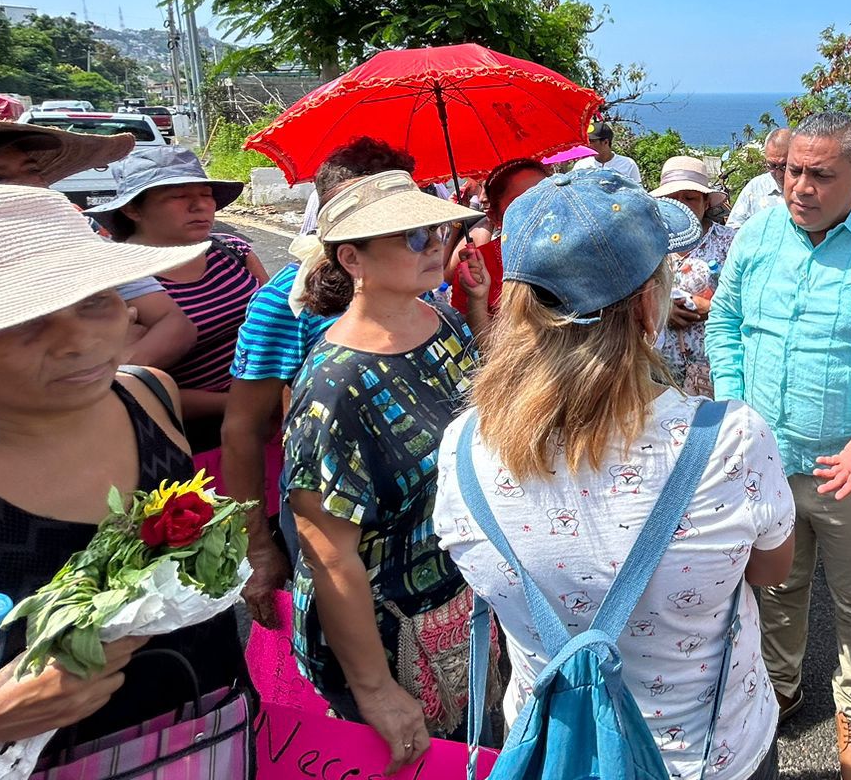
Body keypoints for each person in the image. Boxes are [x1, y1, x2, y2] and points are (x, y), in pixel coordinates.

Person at [434, 170, 795, 780]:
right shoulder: (729, 441)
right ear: (644, 305)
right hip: (708, 757)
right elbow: (771, 568)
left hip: (550, 749)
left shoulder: (463, 446)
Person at [0, 182, 247, 763]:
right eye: (24, 317)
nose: (80, 340)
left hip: (212, 727)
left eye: (96, 298)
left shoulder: (149, 396)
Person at [707, 113, 851, 780]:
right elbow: (725, 321)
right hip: (767, 462)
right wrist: (735, 403)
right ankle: (782, 685)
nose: (799, 187)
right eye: (791, 171)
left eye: (820, 174)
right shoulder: (756, 237)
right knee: (779, 585)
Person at [285, 170, 491, 769]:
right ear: (352, 259)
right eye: (412, 238)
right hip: (387, 631)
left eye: (436, 231)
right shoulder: (336, 382)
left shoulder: (443, 323)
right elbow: (327, 551)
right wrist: (375, 689)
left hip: (455, 597)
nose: (436, 245)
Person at [223, 137, 415, 629]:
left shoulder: (417, 284)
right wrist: (259, 548)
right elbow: (242, 429)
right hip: (329, 516)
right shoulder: (285, 301)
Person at [0, 103, 197, 369]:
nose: (33, 188)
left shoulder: (75, 238)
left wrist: (113, 375)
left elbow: (173, 323)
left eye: (33, 172)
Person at [89, 145, 268, 455]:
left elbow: (282, 318)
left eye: (206, 195)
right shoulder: (117, 281)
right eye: (178, 196)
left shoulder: (231, 251)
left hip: (272, 410)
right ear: (133, 210)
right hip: (192, 437)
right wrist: (241, 403)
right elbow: (129, 381)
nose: (200, 206)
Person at [651, 155, 737, 397]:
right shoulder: (649, 243)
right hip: (657, 372)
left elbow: (746, 300)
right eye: (672, 199)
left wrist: (711, 308)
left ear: (706, 202)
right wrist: (662, 310)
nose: (681, 205)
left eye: (689, 198)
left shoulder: (729, 243)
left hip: (712, 368)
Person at [442, 158, 547, 319]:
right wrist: (477, 299)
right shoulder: (479, 267)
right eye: (523, 203)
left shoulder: (584, 244)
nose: (543, 208)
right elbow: (474, 337)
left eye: (548, 195)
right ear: (495, 217)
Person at [728, 129, 791, 228]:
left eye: (784, 166)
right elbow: (733, 228)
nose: (779, 175)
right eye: (772, 166)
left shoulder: (808, 189)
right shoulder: (756, 187)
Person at [570, 120, 643, 187]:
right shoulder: (581, 165)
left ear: (605, 142)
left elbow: (638, 191)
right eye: (587, 141)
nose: (587, 145)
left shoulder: (628, 164)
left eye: (591, 141)